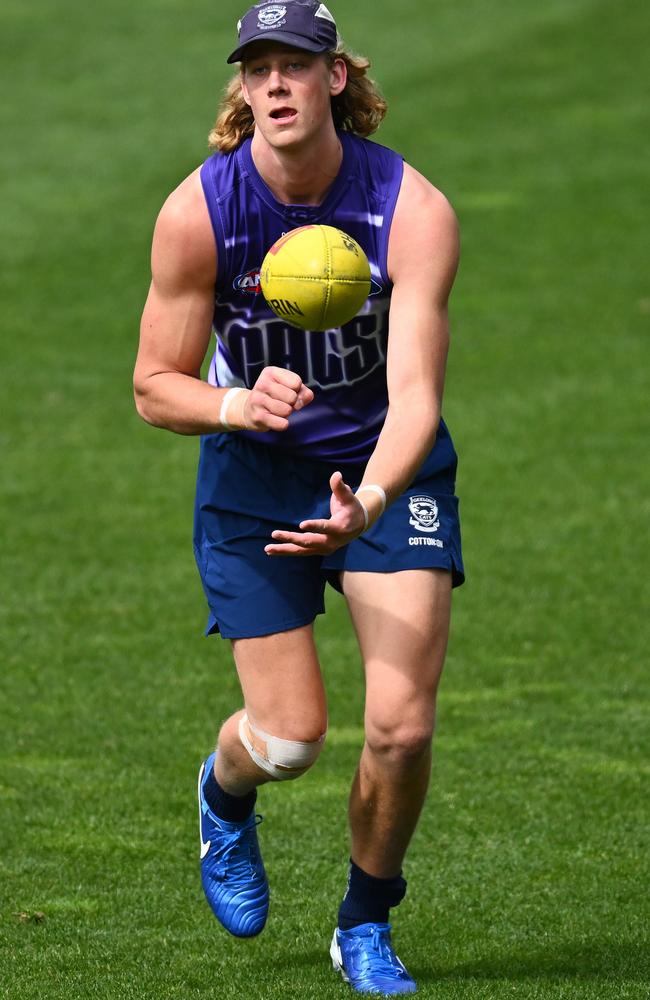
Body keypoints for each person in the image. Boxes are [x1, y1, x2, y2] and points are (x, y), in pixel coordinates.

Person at [134, 1, 464, 993]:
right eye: (256, 67)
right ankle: (224, 793)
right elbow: (155, 384)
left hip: (378, 468)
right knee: (289, 739)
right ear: (242, 87)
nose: (274, 83)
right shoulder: (201, 210)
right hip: (255, 477)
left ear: (333, 79)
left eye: (294, 64)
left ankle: (363, 922)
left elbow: (415, 398)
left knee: (400, 726)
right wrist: (234, 402)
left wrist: (364, 500)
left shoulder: (407, 208)